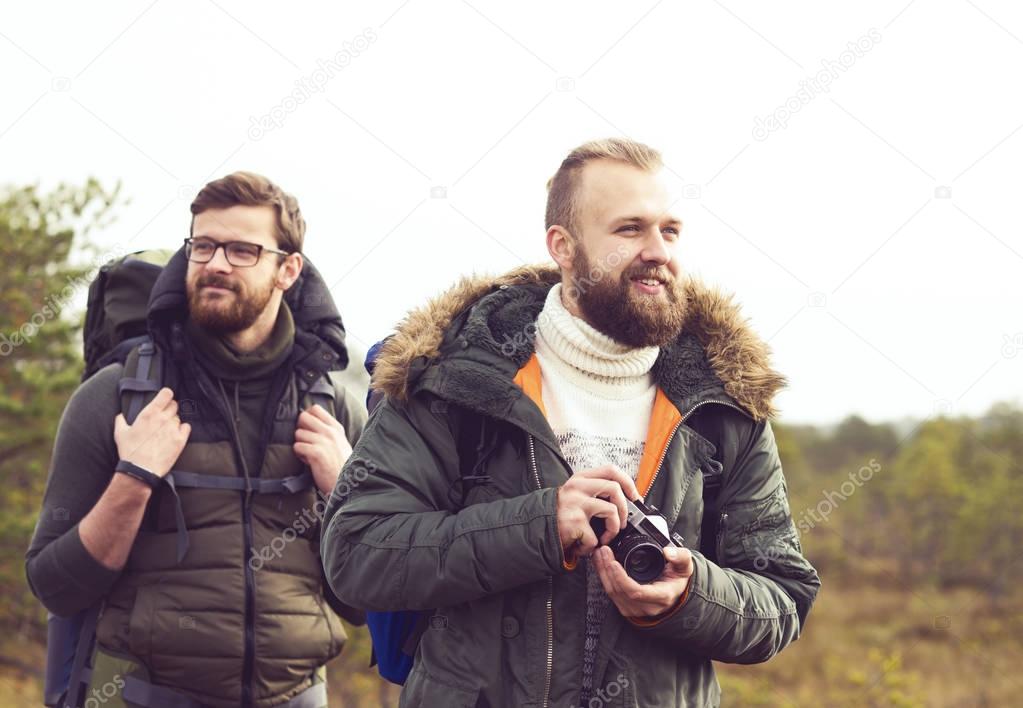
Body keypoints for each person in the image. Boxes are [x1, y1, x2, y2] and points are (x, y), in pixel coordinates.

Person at [321, 139, 820, 707]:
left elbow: (784, 595)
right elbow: (356, 553)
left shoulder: (725, 405)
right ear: (563, 246)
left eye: (670, 230)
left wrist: (692, 596)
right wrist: (539, 527)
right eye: (630, 229)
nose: (658, 251)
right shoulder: (452, 378)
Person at [27, 172, 366, 707]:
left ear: (288, 269)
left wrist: (347, 496)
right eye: (203, 246)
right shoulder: (118, 398)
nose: (215, 263)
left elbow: (369, 603)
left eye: (241, 250)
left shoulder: (333, 410)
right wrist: (132, 480)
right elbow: (54, 585)